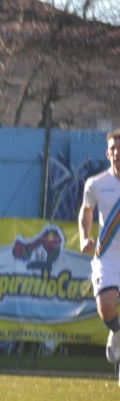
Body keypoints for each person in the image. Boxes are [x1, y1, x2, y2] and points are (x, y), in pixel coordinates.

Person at [79, 127, 120, 373]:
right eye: (113, 150)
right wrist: (85, 236)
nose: (117, 154)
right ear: (107, 154)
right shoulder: (96, 183)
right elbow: (86, 211)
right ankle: (116, 332)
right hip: (107, 257)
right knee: (105, 306)